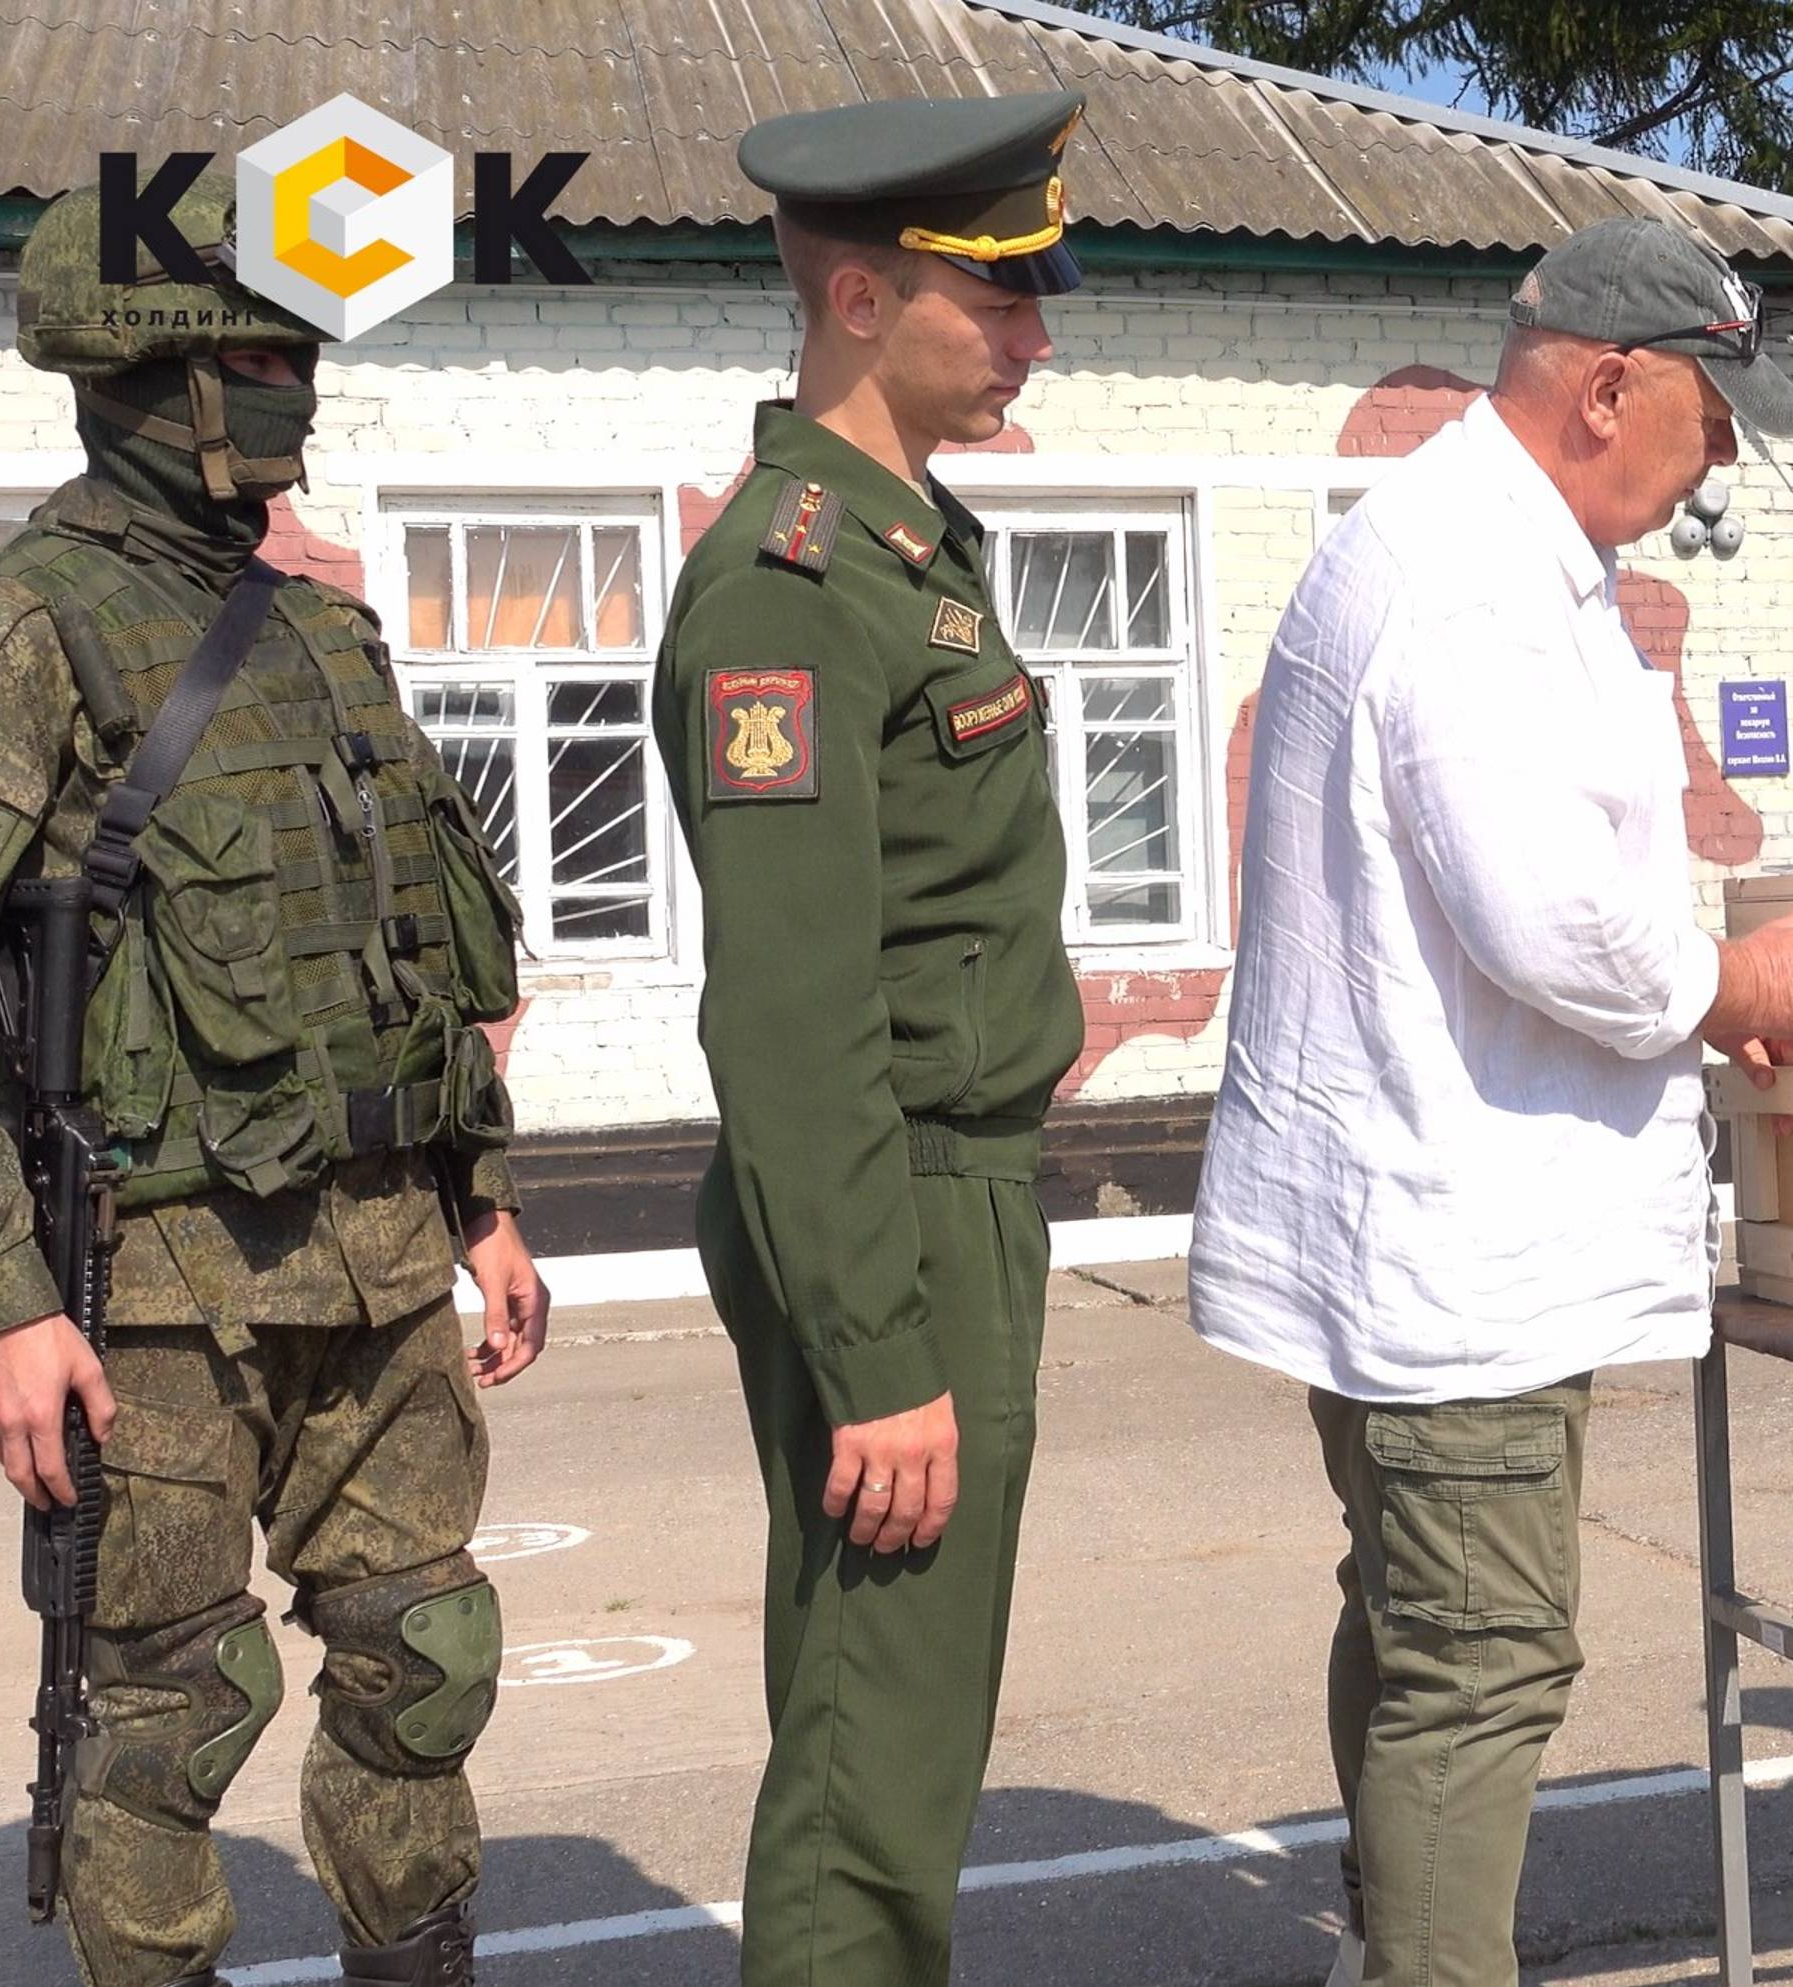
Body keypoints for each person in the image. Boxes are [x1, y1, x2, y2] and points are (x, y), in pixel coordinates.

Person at [1186, 216, 1793, 1987]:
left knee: (1415, 1629)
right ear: (1609, 388)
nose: (1716, 463)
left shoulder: (1486, 546)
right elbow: (1540, 904)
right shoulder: (1466, 575)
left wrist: (1696, 1002)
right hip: (1457, 1237)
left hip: (1427, 1216)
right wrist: (1726, 986)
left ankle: (1389, 1938)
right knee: (1483, 1659)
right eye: (1710, 416)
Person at [0, 170, 550, 1987]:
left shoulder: (321, 631)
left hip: (385, 1265)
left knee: (426, 1661)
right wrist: (10, 1308)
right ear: (153, 382)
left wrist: (484, 1203)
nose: (298, 383)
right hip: (154, 1296)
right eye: (258, 350)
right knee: (168, 1711)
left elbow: (407, 943)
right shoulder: (38, 628)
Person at [647, 90, 1087, 1986]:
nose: (1033, 334)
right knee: (869, 1758)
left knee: (908, 1729)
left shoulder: (908, 553)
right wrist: (879, 1349)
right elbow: (793, 1009)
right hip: (885, 1197)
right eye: (992, 297)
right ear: (851, 296)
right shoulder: (791, 589)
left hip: (951, 1179)